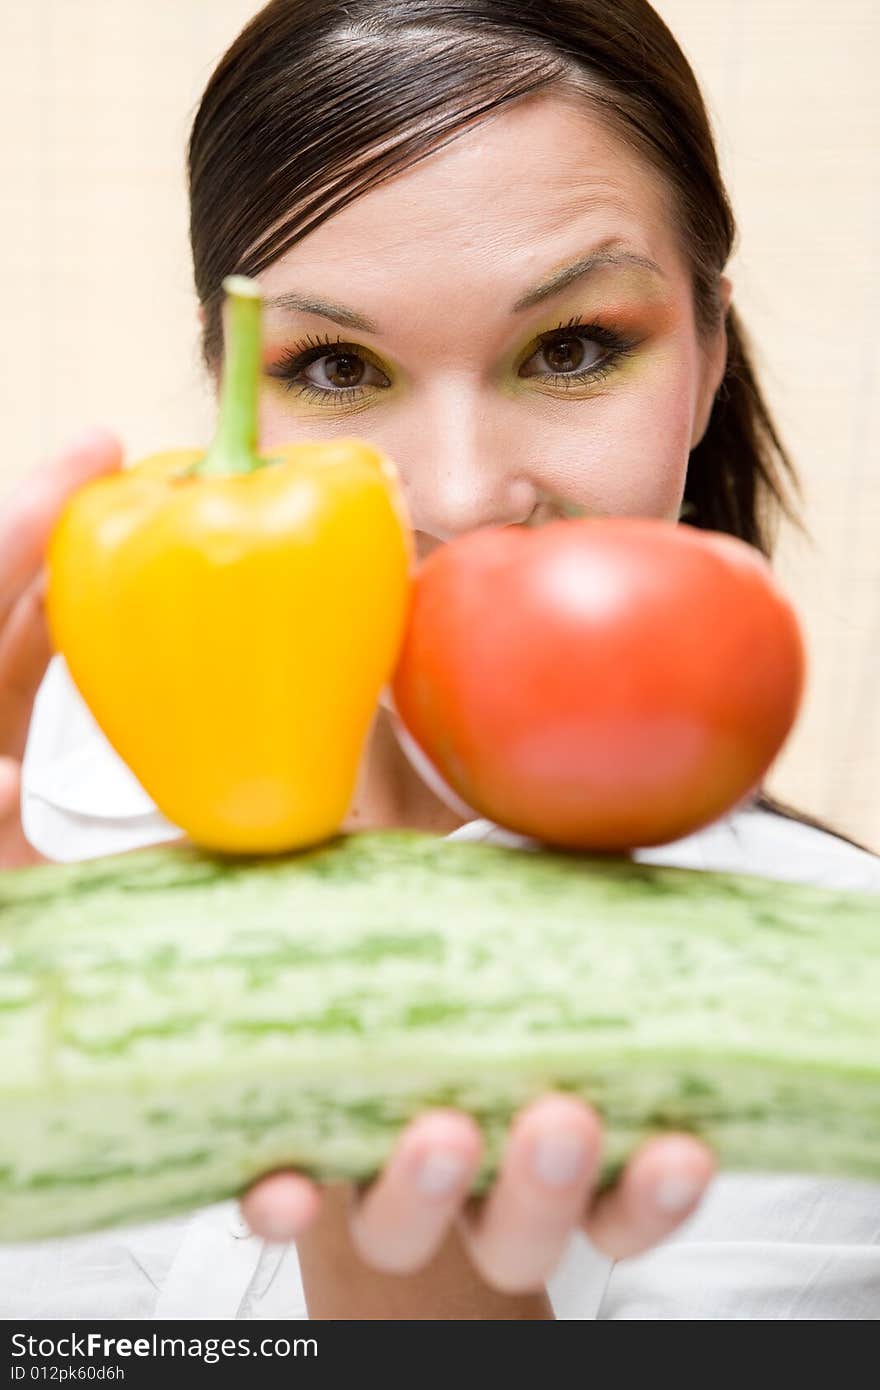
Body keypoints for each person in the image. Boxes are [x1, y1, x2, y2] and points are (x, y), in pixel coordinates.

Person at [2, 0, 878, 1321]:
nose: (461, 501)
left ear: (705, 363)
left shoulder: (835, 1010)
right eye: (340, 365)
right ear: (227, 373)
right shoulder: (33, 831)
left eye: (574, 348)